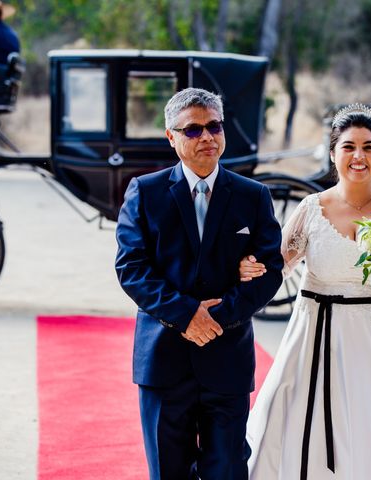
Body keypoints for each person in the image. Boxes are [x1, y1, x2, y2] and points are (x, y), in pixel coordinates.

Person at [241, 104, 371, 479]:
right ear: (333, 154)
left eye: (368, 147)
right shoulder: (310, 208)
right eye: (348, 147)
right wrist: (249, 267)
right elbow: (277, 265)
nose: (358, 156)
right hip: (315, 336)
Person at [115, 87, 283, 480]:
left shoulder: (253, 196)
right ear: (171, 137)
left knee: (226, 469)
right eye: (192, 130)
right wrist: (187, 315)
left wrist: (219, 317)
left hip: (227, 360)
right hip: (163, 360)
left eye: (214, 126)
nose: (206, 136)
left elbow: (271, 269)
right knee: (168, 472)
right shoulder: (145, 192)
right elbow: (132, 268)